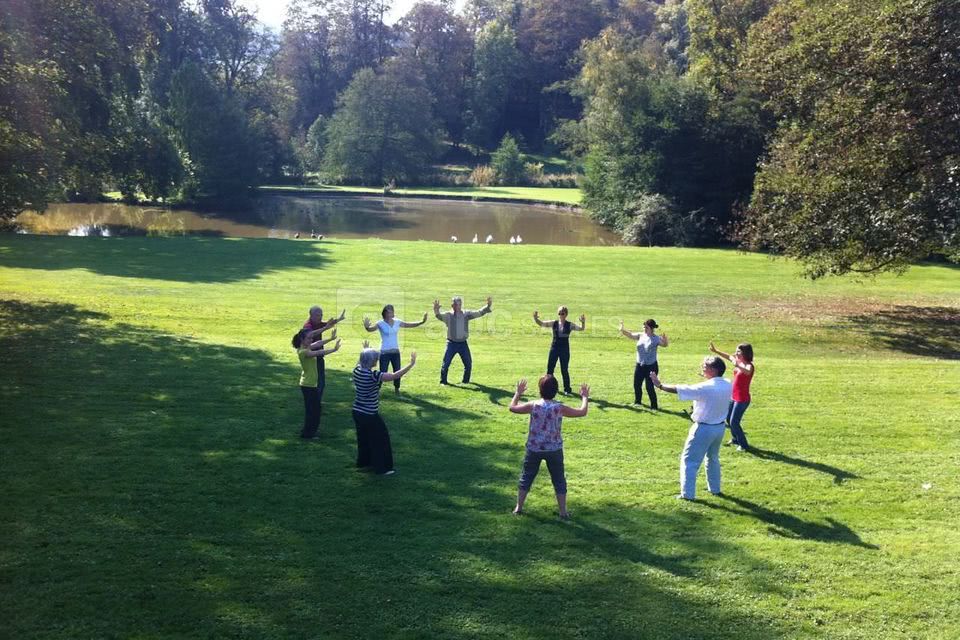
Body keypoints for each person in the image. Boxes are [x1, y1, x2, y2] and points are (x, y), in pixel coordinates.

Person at [509, 375, 590, 520]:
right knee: (559, 480)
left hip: (534, 448)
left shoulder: (533, 405)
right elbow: (582, 412)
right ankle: (563, 512)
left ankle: (518, 508)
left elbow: (512, 407)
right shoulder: (559, 408)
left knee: (526, 477)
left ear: (540, 390)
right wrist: (584, 397)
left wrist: (518, 393)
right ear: (556, 390)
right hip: (554, 449)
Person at [650, 356, 732, 500]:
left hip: (703, 429)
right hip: (719, 428)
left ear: (714, 370)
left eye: (705, 367)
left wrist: (660, 385)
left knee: (689, 461)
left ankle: (687, 494)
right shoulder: (727, 383)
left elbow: (680, 389)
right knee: (712, 458)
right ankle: (715, 489)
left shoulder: (705, 387)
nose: (702, 368)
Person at [352, 343, 417, 475]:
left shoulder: (356, 371)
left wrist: (364, 350)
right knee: (380, 440)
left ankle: (364, 463)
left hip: (357, 411)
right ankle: (382, 469)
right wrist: (411, 364)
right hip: (369, 414)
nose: (377, 360)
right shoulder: (374, 375)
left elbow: (360, 361)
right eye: (375, 359)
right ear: (371, 361)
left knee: (363, 438)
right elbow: (394, 376)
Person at [362, 304, 428, 394]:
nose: (393, 312)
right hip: (384, 352)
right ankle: (377, 389)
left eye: (393, 310)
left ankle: (397, 389)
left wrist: (421, 322)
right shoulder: (380, 323)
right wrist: (366, 327)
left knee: (397, 370)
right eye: (390, 311)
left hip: (395, 352)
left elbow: (409, 325)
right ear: (386, 313)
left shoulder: (397, 322)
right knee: (382, 371)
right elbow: (370, 329)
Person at [292, 329, 342, 440]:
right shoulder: (303, 352)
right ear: (302, 339)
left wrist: (331, 339)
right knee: (313, 410)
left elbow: (318, 344)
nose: (311, 340)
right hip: (308, 385)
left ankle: (308, 431)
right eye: (309, 338)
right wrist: (333, 349)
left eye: (311, 337)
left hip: (309, 384)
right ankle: (308, 434)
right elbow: (319, 352)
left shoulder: (305, 347)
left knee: (315, 409)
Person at [433, 295, 493, 385]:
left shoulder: (466, 314)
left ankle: (465, 382)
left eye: (460, 304)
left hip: (463, 344)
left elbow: (479, 312)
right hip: (451, 344)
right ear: (452, 306)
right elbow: (439, 316)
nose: (459, 306)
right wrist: (436, 310)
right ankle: (443, 382)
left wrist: (487, 306)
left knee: (468, 364)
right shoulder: (448, 316)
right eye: (457, 304)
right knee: (446, 364)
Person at [710, 342, 756, 451]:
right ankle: (735, 439)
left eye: (739, 351)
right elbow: (729, 356)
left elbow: (748, 371)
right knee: (728, 419)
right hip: (734, 396)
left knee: (734, 421)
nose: (736, 353)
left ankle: (744, 445)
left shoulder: (749, 365)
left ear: (745, 353)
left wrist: (737, 364)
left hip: (742, 399)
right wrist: (716, 351)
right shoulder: (738, 361)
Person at [533, 306, 585, 394]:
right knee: (550, 369)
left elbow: (581, 329)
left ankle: (567, 389)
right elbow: (541, 323)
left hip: (564, 350)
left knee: (564, 369)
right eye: (559, 313)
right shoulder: (554, 323)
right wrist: (535, 319)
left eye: (562, 313)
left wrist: (583, 322)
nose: (560, 315)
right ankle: (550, 388)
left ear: (566, 314)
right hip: (554, 348)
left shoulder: (570, 325)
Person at [619, 318, 669, 409]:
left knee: (649, 387)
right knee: (636, 384)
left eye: (646, 327)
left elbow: (665, 345)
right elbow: (630, 335)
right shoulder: (641, 335)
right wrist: (622, 329)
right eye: (644, 327)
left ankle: (654, 406)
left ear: (651, 328)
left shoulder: (656, 338)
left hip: (651, 366)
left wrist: (665, 340)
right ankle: (638, 402)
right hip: (640, 365)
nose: (644, 329)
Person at [302, 306, 347, 405]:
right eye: (318, 315)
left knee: (320, 381)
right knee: (317, 381)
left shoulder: (318, 323)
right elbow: (312, 334)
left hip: (318, 356)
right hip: (311, 357)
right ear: (311, 315)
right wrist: (325, 328)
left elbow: (328, 324)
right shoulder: (307, 326)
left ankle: (317, 401)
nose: (320, 317)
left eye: (321, 315)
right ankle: (315, 402)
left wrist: (339, 319)